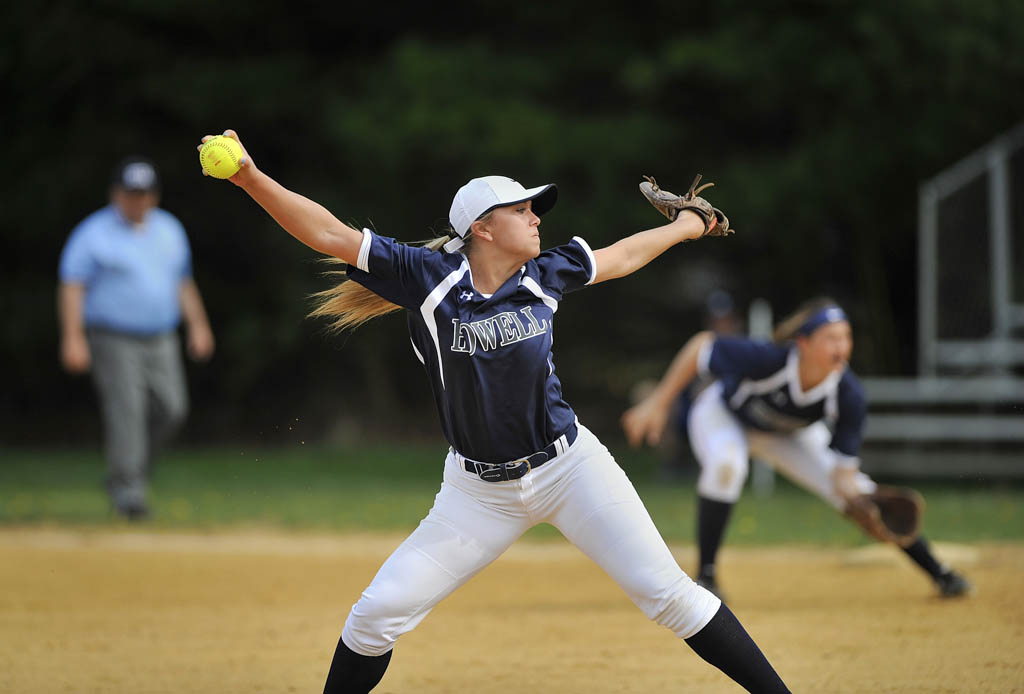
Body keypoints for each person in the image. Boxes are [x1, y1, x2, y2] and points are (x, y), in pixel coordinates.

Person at [200, 129, 791, 693]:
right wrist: (249, 177)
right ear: (481, 228)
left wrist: (686, 227)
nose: (536, 217)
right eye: (522, 209)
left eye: (535, 209)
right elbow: (328, 233)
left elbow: (623, 255)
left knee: (670, 596)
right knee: (375, 616)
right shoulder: (430, 279)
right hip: (476, 494)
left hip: (570, 469)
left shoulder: (545, 275)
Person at [621, 297, 973, 601]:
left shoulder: (848, 394)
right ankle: (708, 577)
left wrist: (856, 500)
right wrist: (658, 402)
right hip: (723, 415)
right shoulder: (769, 359)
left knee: (861, 492)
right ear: (803, 343)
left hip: (786, 435)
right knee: (728, 465)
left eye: (846, 337)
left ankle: (940, 573)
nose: (842, 347)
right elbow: (703, 346)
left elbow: (844, 474)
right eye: (831, 338)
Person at [58, 156, 215, 520]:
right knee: (127, 412)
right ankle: (129, 495)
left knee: (172, 409)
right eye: (131, 193)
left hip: (161, 337)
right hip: (113, 337)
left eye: (144, 194)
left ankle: (127, 475)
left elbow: (183, 282)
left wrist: (199, 326)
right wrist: (73, 337)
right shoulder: (93, 232)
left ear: (154, 196)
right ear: (116, 194)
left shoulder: (169, 229)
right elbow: (72, 285)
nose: (138, 201)